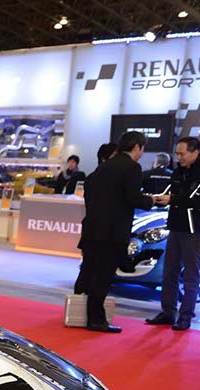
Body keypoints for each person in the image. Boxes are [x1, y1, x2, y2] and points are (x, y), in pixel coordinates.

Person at [75, 131, 154, 333]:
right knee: (103, 276)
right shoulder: (131, 168)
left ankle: (82, 315)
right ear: (137, 147)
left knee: (90, 272)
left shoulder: (102, 168)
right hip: (112, 232)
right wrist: (151, 200)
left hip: (93, 229)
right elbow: (134, 199)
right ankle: (96, 320)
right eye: (142, 149)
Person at [145, 137, 200, 331]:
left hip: (194, 229)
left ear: (195, 152)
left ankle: (186, 315)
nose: (178, 157)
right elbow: (171, 192)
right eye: (177, 153)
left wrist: (173, 199)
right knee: (169, 271)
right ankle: (168, 311)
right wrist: (158, 198)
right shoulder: (178, 171)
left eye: (182, 154)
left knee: (191, 274)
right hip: (175, 225)